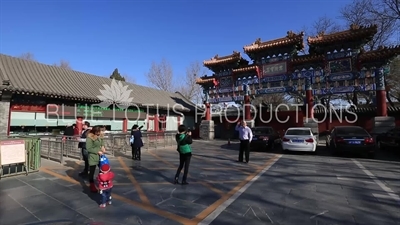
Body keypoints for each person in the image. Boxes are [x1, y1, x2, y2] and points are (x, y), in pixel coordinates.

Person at [86, 126, 106, 193]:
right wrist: (97, 151)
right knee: (92, 172)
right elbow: (88, 148)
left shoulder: (100, 135)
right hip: (93, 157)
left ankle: (102, 183)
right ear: (95, 131)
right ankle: (92, 185)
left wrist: (103, 146)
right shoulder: (90, 137)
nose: (99, 133)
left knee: (102, 170)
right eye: (98, 132)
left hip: (100, 156)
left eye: (100, 131)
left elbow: (102, 141)